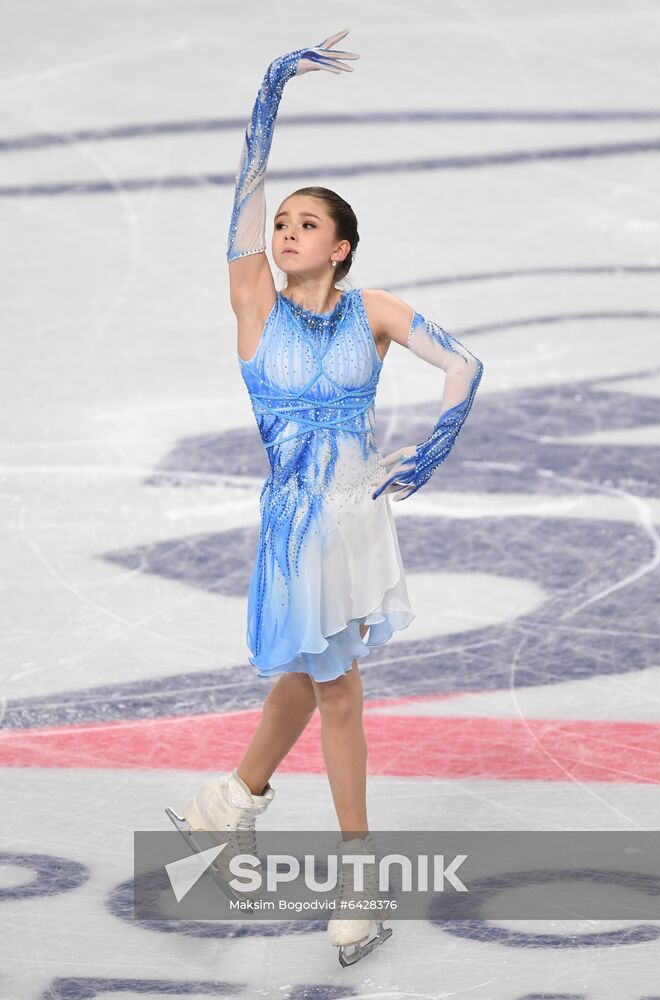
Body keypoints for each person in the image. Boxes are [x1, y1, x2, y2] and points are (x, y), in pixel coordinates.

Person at [167, 28, 484, 966]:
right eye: (281, 225)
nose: (285, 233)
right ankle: (324, 859)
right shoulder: (253, 305)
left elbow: (464, 365)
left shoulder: (373, 311)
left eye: (306, 225)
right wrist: (269, 97)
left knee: (321, 678)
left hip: (356, 519)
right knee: (328, 682)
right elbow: (245, 192)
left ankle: (236, 807)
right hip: (295, 525)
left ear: (339, 248)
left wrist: (431, 451)